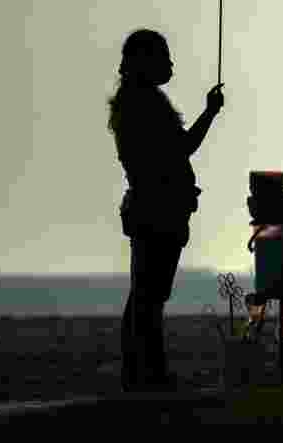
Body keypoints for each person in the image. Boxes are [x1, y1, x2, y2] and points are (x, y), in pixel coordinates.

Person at [107, 29, 225, 392]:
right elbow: (182, 147)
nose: (171, 65)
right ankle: (149, 377)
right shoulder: (144, 105)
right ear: (146, 62)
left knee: (146, 295)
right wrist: (210, 112)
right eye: (164, 57)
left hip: (151, 210)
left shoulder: (135, 102)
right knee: (149, 297)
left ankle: (141, 374)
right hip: (158, 212)